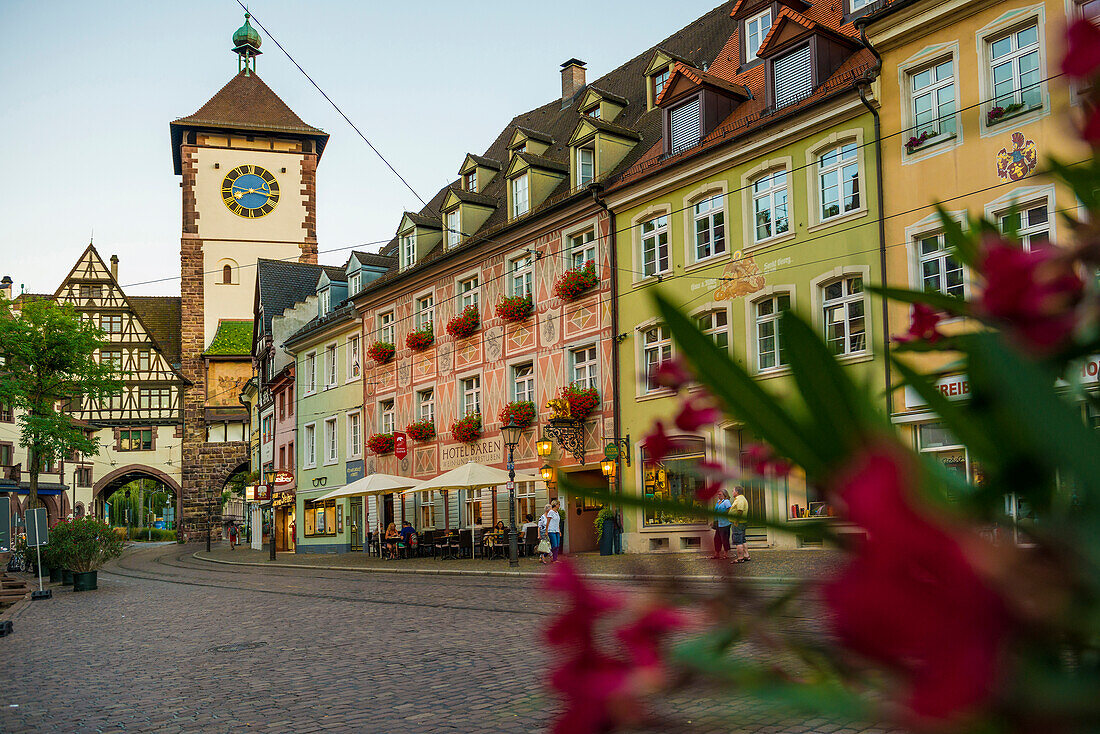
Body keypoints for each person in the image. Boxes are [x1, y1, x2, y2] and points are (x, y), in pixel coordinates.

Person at [730, 486, 751, 563]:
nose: (732, 492)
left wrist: (736, 521)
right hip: (742, 522)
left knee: (738, 540)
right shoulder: (742, 498)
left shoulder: (739, 499)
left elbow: (740, 510)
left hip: (738, 523)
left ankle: (740, 558)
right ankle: (746, 555)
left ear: (737, 492)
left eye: (733, 491)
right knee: (743, 539)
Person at [712, 489, 732, 560]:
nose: (718, 496)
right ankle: (717, 553)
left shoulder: (726, 502)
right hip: (718, 523)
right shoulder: (718, 502)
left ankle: (725, 554)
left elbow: (730, 509)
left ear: (724, 495)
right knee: (716, 539)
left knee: (725, 539)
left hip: (725, 523)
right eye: (718, 494)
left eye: (720, 494)